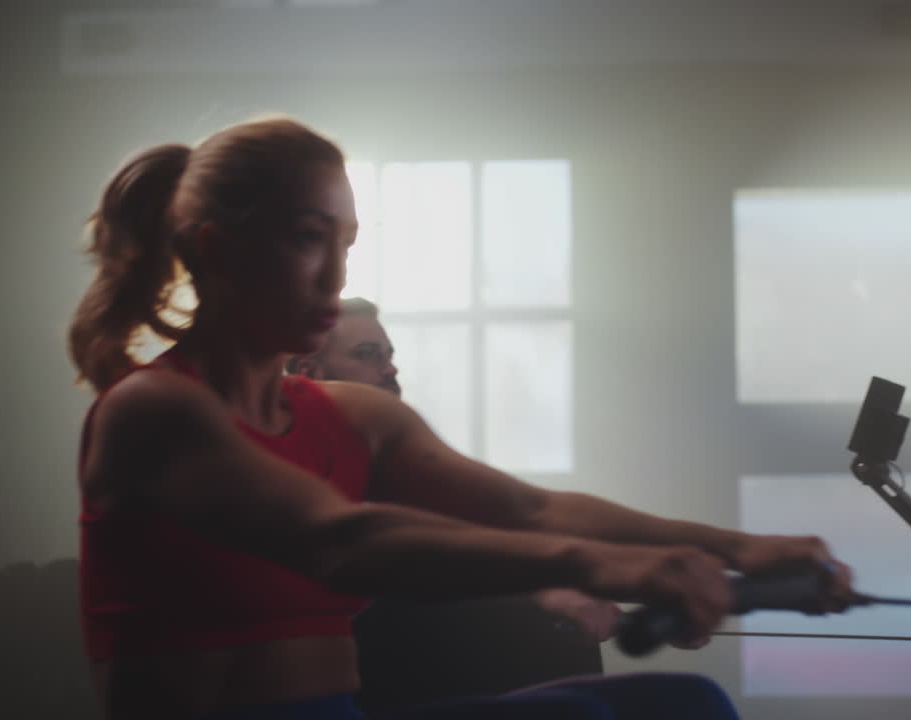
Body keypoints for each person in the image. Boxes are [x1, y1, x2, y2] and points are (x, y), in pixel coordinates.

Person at [68, 114, 854, 719]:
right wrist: (602, 567)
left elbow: (531, 508)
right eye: (308, 239)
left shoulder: (354, 416)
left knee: (685, 705)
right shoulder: (151, 410)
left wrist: (739, 548)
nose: (336, 275)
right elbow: (340, 542)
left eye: (347, 243)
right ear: (215, 249)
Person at [287, 297, 622, 643]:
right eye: (368, 354)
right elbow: (395, 552)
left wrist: (549, 583)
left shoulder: (397, 463)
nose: (390, 370)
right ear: (310, 373)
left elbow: (507, 520)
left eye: (389, 356)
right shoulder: (279, 469)